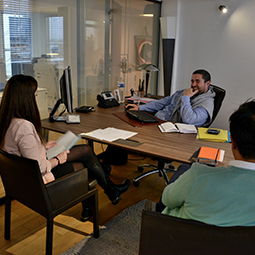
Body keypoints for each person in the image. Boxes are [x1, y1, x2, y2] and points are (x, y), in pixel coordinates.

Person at [0, 74, 130, 221]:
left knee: (85, 151)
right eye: (35, 95)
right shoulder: (23, 126)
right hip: (38, 181)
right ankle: (105, 192)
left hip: (22, 180)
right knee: (83, 164)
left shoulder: (6, 121)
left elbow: (21, 152)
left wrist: (42, 147)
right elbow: (37, 166)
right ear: (25, 99)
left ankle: (108, 190)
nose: (36, 99)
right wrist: (58, 159)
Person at [157, 100, 255, 226]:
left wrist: (214, 172)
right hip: (234, 245)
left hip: (177, 240)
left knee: (184, 169)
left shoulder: (199, 175)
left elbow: (167, 200)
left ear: (233, 141)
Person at [126, 69, 215, 127]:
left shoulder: (206, 103)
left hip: (171, 131)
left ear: (207, 83)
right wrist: (140, 108)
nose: (193, 84)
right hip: (157, 122)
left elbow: (189, 120)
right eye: (192, 81)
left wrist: (186, 98)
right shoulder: (184, 92)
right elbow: (163, 102)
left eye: (197, 81)